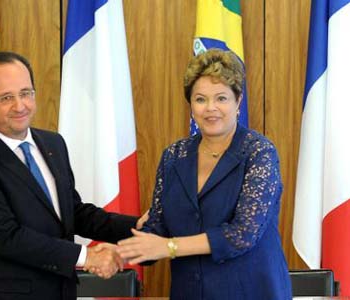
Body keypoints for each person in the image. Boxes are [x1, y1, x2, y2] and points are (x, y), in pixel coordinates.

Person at [0, 51, 146, 300]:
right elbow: (8, 237)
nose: (20, 106)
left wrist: (136, 227)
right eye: (6, 97)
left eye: (26, 93)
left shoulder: (52, 143)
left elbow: (73, 213)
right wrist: (87, 256)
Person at [116, 48, 292, 299]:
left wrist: (169, 247)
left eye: (221, 98)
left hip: (250, 291)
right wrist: (121, 252)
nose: (211, 108)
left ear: (238, 100)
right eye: (200, 99)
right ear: (191, 105)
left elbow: (242, 235)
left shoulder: (259, 151)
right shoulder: (174, 156)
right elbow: (157, 227)